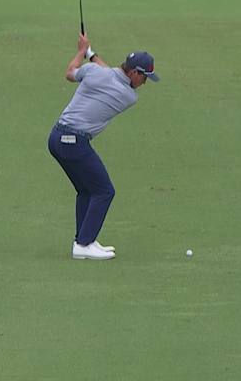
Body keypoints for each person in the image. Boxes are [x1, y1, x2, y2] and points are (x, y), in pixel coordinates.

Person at [48, 33, 159, 260]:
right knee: (104, 190)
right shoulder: (128, 96)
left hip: (57, 138)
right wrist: (91, 54)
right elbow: (110, 75)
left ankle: (83, 240)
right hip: (74, 142)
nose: (144, 82)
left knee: (86, 190)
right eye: (144, 77)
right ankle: (84, 244)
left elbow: (71, 73)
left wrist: (83, 53)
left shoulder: (94, 73)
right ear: (133, 73)